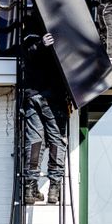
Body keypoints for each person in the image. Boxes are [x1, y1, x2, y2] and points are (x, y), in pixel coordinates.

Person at [21, 11, 69, 205]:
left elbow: (26, 52)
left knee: (34, 141)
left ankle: (30, 188)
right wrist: (42, 44)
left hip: (32, 94)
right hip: (53, 95)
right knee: (56, 139)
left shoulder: (30, 24)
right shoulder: (59, 24)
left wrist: (39, 45)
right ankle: (54, 188)